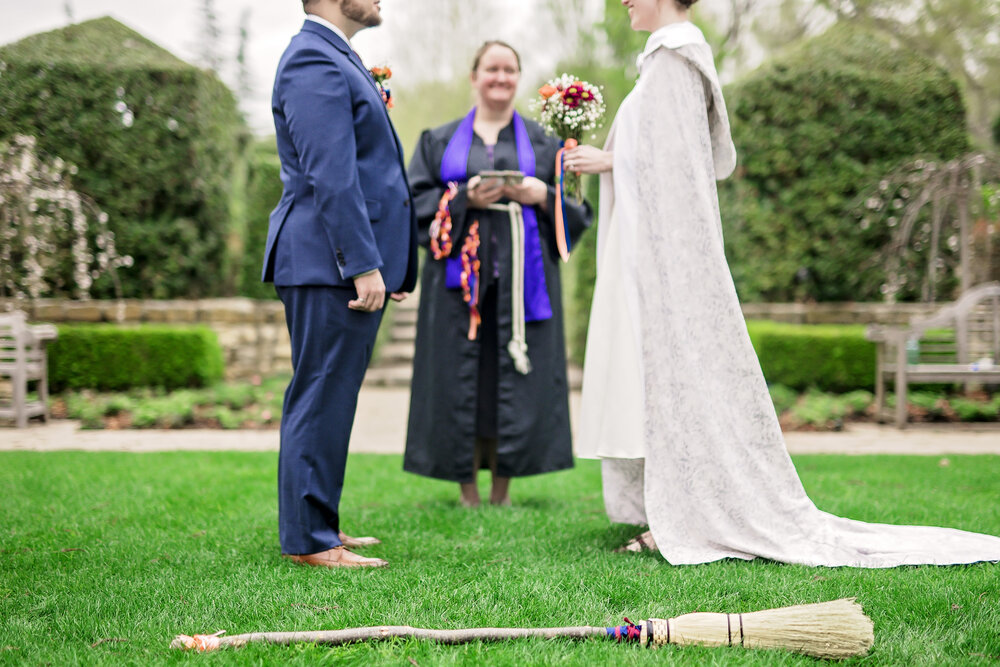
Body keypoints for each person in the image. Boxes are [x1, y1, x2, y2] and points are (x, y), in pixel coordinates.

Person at [567, 0, 1000, 566]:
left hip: (667, 261)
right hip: (651, 254)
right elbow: (668, 157)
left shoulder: (675, 57)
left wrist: (615, 162)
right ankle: (667, 506)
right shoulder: (665, 60)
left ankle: (688, 511)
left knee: (679, 381)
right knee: (663, 382)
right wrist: (610, 161)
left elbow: (680, 172)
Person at [262, 0, 417, 569]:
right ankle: (308, 541)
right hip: (325, 261)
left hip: (337, 260)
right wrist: (362, 263)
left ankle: (319, 522)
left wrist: (391, 262)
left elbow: (372, 172)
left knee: (334, 395)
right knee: (320, 392)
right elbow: (332, 174)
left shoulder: (337, 56)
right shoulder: (312, 59)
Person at [403, 41, 593, 507]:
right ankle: (466, 489)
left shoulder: (547, 144)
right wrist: (465, 196)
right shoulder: (438, 139)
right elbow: (410, 204)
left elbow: (579, 212)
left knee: (511, 373)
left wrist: (541, 195)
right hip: (455, 285)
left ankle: (503, 489)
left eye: (510, 70)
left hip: (523, 282)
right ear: (475, 76)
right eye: (492, 69)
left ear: (519, 78)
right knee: (459, 376)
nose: (501, 78)